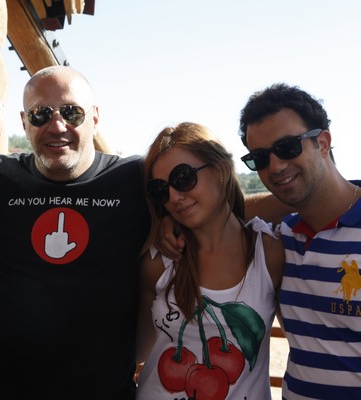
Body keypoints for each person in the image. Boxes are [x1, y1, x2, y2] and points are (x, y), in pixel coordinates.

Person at [0, 65, 150, 400]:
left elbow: (209, 206)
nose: (57, 126)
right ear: (24, 122)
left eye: (72, 113)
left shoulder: (134, 180)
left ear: (94, 117)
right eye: (40, 114)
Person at [135, 122, 283, 399]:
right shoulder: (159, 262)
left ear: (220, 170)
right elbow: (137, 351)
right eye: (160, 190)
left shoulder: (269, 253)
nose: (174, 197)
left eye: (183, 178)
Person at [238, 83, 361, 399]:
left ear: (323, 142)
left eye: (288, 147)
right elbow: (222, 213)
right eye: (260, 158)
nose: (276, 166)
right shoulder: (280, 239)